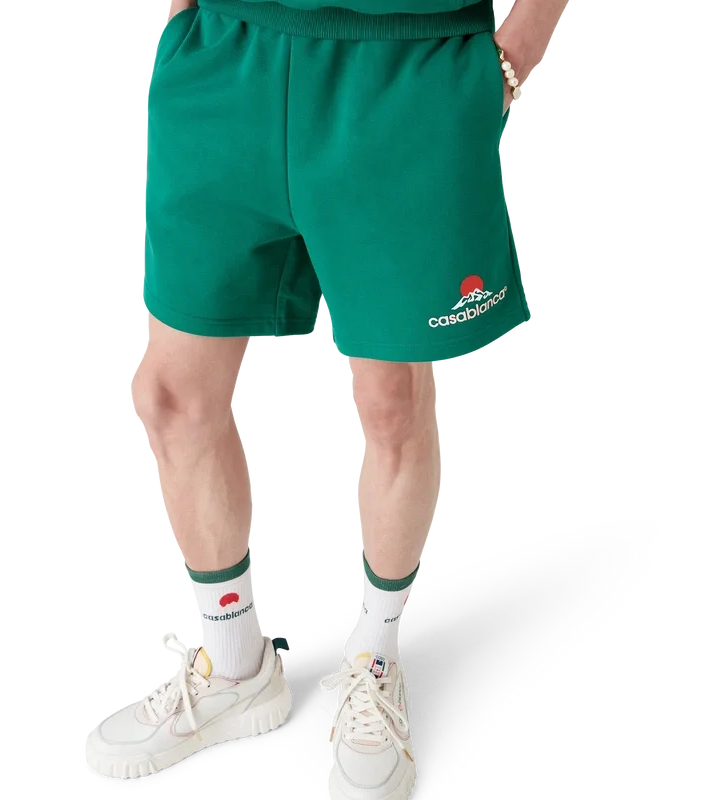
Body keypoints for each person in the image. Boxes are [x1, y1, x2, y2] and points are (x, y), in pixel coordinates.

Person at [85, 0, 567, 795]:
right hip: (226, 52)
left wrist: (514, 53)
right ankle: (232, 664)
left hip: (405, 65)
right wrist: (181, 18)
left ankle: (375, 660)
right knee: (171, 394)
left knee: (390, 401)